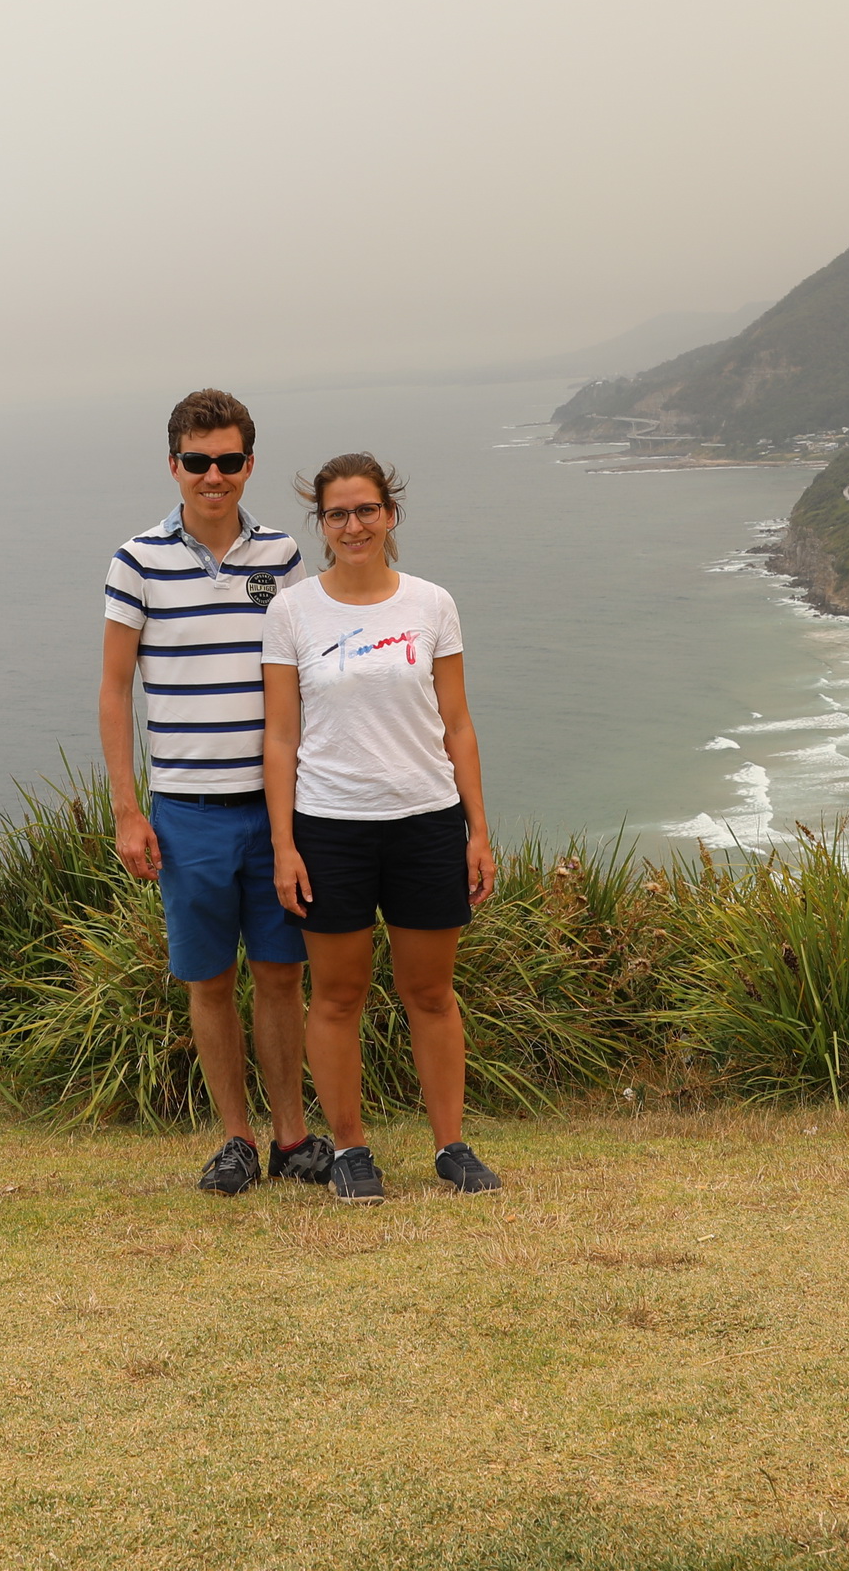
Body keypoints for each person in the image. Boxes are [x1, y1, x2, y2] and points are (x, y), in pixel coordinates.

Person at [100, 388, 328, 1196]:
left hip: (274, 811)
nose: (214, 476)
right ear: (174, 466)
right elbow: (114, 690)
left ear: (248, 465)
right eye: (198, 462)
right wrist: (128, 811)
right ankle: (235, 1137)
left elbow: (304, 684)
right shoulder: (136, 560)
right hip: (186, 813)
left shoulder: (283, 557)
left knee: (280, 974)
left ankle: (292, 1137)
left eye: (229, 461)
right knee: (210, 981)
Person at [262, 452, 502, 1202]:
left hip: (426, 820)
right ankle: (351, 1150)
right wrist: (283, 846)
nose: (354, 525)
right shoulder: (292, 611)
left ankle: (452, 1146)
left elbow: (457, 723)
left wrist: (478, 830)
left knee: (431, 992)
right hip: (330, 824)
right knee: (336, 996)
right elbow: (280, 737)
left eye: (367, 510)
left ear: (390, 514)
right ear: (322, 524)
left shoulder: (431, 604)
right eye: (338, 513)